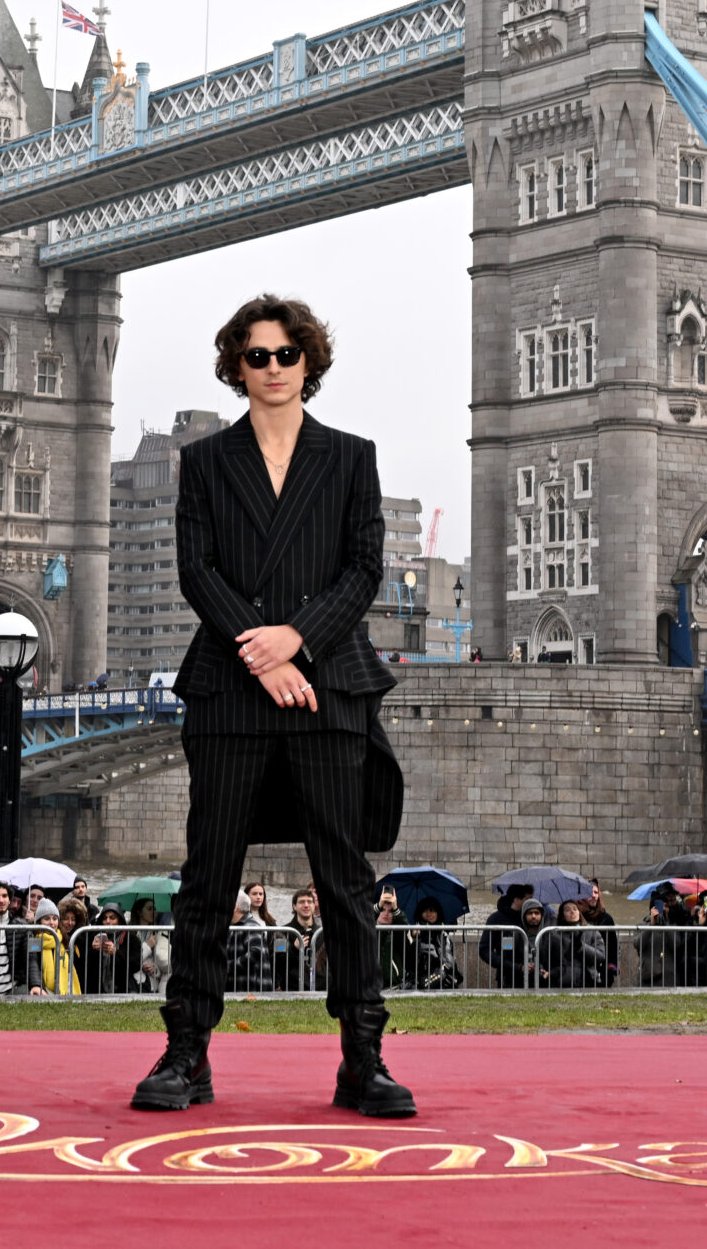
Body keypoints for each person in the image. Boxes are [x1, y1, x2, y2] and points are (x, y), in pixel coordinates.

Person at [131, 296, 412, 1120]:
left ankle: (365, 1059)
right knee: (207, 880)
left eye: (287, 354)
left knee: (346, 882)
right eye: (257, 356)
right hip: (231, 687)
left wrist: (298, 640)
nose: (274, 368)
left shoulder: (353, 458)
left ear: (309, 363)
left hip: (327, 688)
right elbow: (196, 569)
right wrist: (260, 646)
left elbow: (364, 571)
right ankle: (186, 1053)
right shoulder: (207, 461)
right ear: (236, 367)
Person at [0, 883, 44, 998]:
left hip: (12, 989)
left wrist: (36, 984)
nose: (1, 900)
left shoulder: (23, 928)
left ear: (9, 900)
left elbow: (31, 958)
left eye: (4, 896)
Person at [541, 899, 610, 988]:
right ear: (562, 915)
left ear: (579, 912)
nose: (572, 912)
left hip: (587, 978)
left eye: (575, 909)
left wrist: (582, 947)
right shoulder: (554, 933)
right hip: (562, 979)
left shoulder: (591, 931)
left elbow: (600, 956)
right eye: (567, 910)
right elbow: (547, 958)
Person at [479, 887, 529, 988]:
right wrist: (506, 964)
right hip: (507, 976)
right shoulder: (496, 919)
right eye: (528, 899)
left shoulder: (536, 917)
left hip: (535, 976)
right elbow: (484, 950)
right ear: (517, 900)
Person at [275, 887, 322, 993]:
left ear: (314, 906)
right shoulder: (282, 932)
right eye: (301, 902)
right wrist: (294, 949)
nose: (306, 905)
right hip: (293, 989)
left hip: (321, 989)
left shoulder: (323, 933)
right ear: (294, 906)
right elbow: (278, 963)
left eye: (309, 902)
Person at [129, 898, 173, 994]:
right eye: (149, 909)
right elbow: (130, 959)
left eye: (154, 909)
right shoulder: (129, 932)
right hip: (134, 982)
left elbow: (162, 959)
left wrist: (155, 968)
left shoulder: (158, 932)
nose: (153, 912)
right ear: (139, 912)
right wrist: (147, 946)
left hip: (152, 983)